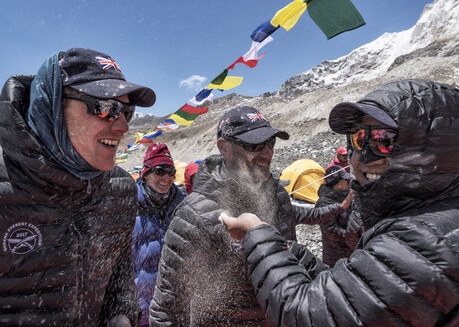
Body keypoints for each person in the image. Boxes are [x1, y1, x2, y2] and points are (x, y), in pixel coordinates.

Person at [220, 79, 459, 326]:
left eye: (383, 140)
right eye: (357, 139)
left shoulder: (419, 241)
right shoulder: (428, 219)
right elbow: (351, 297)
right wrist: (288, 251)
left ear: (438, 149)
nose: (360, 156)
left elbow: (306, 317)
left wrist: (257, 235)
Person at [149, 106, 351, 326]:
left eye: (270, 143)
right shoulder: (194, 214)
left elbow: (291, 255)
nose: (267, 153)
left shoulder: (278, 196)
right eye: (255, 145)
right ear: (224, 148)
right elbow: (167, 308)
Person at [0, 48, 156, 326]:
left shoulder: (121, 189)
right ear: (52, 106)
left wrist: (122, 313)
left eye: (127, 111)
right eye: (106, 107)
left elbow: (117, 270)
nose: (122, 126)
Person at [132, 143, 185, 327]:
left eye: (171, 172)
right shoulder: (128, 207)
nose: (167, 178)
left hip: (178, 304)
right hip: (141, 306)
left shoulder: (183, 207)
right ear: (145, 174)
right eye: (160, 171)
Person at [315, 165, 353, 266]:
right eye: (344, 180)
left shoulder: (348, 194)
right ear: (335, 183)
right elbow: (331, 231)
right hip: (335, 255)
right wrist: (353, 236)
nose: (347, 181)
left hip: (352, 250)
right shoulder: (323, 204)